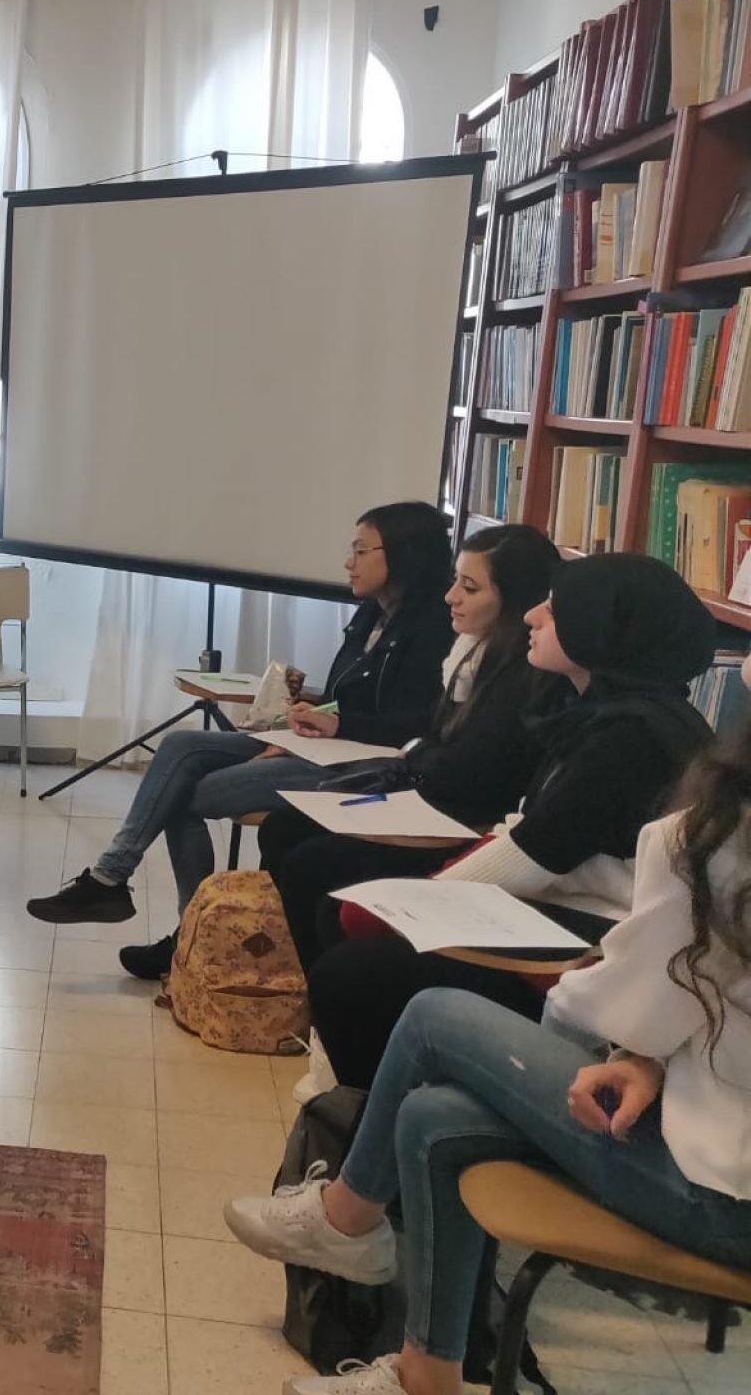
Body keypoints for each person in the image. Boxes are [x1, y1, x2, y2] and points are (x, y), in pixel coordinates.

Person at [221, 683, 751, 1395]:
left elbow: (613, 1012)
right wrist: (645, 1057)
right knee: (432, 1113)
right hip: (720, 1153)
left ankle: (346, 1220)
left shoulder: (714, 839)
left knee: (435, 1015)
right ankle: (426, 1373)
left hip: (722, 1197)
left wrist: (619, 1045)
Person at [303, 551, 715, 1091]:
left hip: (590, 947)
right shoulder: (600, 711)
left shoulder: (629, 740)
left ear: (600, 629)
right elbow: (530, 827)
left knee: (352, 969)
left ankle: (363, 1114)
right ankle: (363, 1098)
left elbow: (531, 853)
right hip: (556, 908)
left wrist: (417, 903)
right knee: (345, 915)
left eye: (556, 609)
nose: (531, 616)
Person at [28, 501, 457, 981]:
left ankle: (185, 934)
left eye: (361, 551)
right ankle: (122, 882)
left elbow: (421, 724)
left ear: (403, 553)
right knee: (181, 746)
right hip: (321, 745)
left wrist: (336, 725)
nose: (347, 563)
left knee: (183, 797)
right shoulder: (371, 615)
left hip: (361, 768)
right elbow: (347, 699)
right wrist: (302, 719)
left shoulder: (435, 628)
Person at [259, 523, 562, 974]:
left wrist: (416, 754)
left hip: (459, 824)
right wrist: (403, 747)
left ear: (515, 599)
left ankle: (305, 985)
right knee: (283, 826)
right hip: (423, 799)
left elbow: (463, 766)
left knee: (309, 863)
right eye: (455, 580)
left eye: (470, 587)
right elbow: (434, 738)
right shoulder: (468, 652)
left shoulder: (525, 673)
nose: (451, 596)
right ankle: (276, 972)